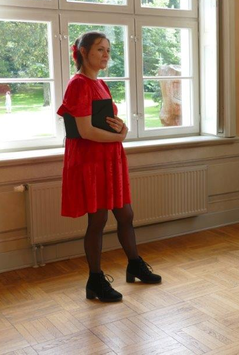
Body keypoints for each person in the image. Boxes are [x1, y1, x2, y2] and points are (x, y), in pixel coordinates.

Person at [57, 31, 161, 303]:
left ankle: (134, 264)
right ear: (83, 52)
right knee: (98, 220)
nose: (106, 55)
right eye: (100, 49)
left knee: (126, 214)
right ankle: (94, 280)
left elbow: (105, 121)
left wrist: (121, 126)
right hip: (92, 160)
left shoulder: (100, 83)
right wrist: (120, 137)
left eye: (108, 50)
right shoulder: (78, 84)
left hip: (109, 158)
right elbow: (85, 131)